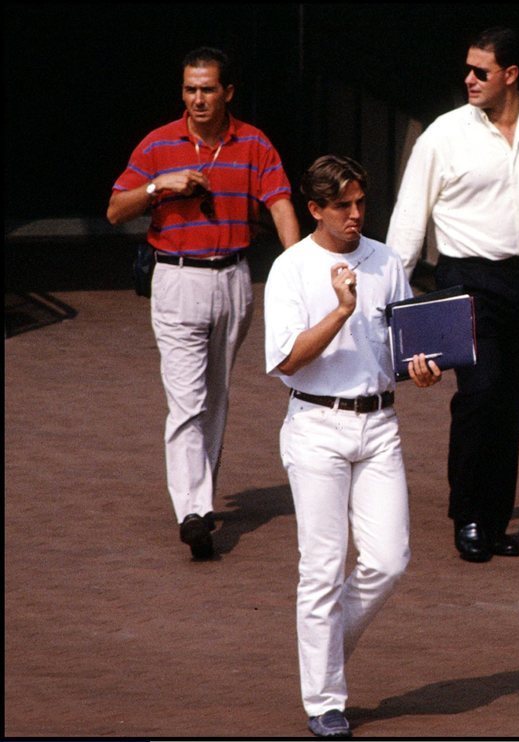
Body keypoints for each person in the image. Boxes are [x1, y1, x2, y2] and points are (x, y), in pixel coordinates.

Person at [386, 26, 519, 563]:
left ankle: (496, 517)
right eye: (468, 69)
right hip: (468, 280)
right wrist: (389, 299)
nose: (469, 79)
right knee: (480, 394)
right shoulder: (443, 134)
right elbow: (410, 219)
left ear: (511, 74)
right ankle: (470, 516)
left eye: (481, 71)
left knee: (511, 401)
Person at [264, 155, 441, 739]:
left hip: (379, 423)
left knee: (389, 558)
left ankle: (322, 648)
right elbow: (287, 359)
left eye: (361, 202)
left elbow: (401, 343)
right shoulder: (291, 269)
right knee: (320, 567)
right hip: (315, 427)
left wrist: (420, 368)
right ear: (314, 209)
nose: (356, 215)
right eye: (343, 206)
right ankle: (324, 700)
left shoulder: (386, 259)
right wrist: (341, 309)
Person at [107, 47, 300, 560]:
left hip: (233, 277)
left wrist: (301, 266)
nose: (197, 99)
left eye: (207, 89)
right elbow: (113, 209)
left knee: (215, 396)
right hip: (177, 278)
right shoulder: (158, 143)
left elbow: (279, 202)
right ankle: (193, 511)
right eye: (190, 89)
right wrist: (158, 186)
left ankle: (201, 496)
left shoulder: (254, 144)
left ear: (228, 93)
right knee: (187, 400)